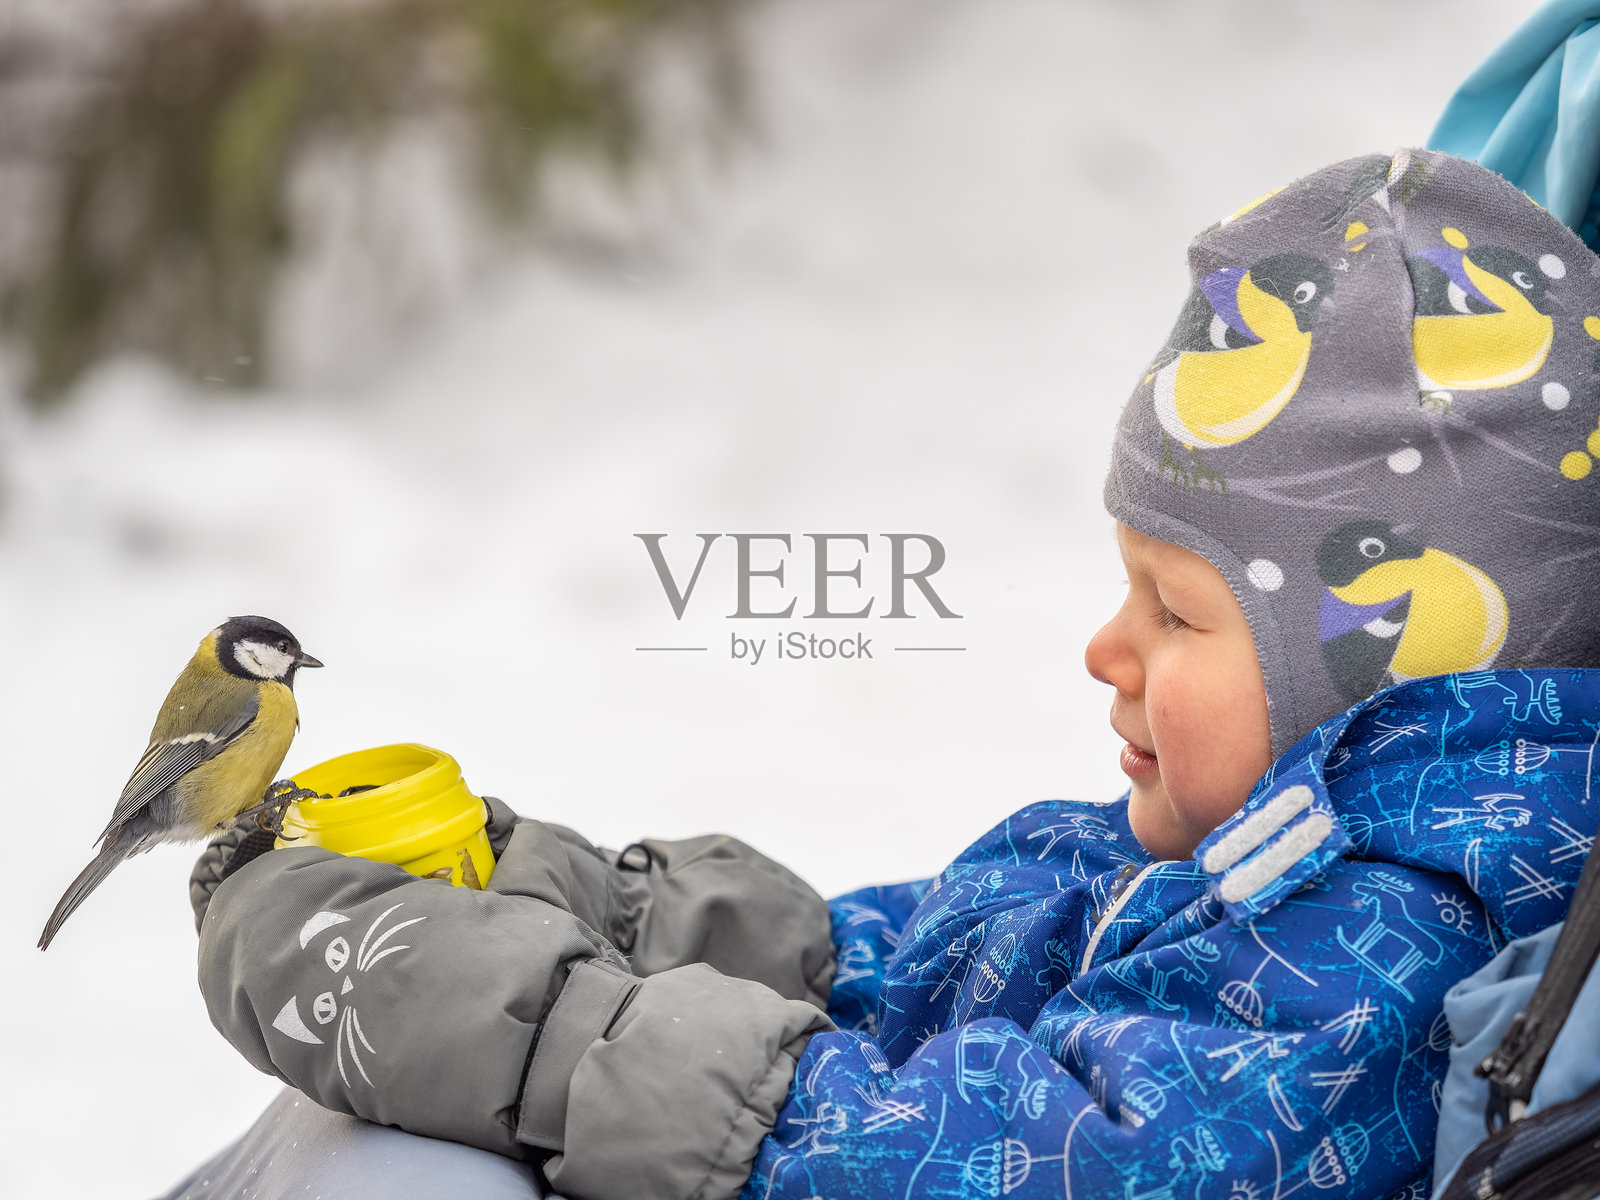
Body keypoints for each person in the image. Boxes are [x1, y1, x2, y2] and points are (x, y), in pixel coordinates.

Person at [174, 144, 1600, 1200]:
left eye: (1174, 612)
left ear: (1376, 665)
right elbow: (916, 970)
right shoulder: (1225, 859)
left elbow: (1017, 1160)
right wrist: (582, 903)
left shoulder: (1392, 946)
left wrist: (552, 1042)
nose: (1105, 650)